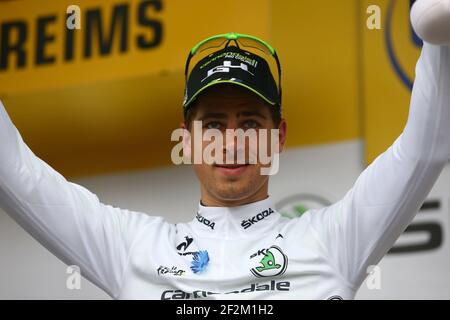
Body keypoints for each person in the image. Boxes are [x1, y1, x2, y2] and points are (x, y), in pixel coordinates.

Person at [0, 0, 449, 300]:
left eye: (250, 122)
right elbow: (15, 173)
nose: (232, 141)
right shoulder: (132, 247)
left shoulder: (334, 239)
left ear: (279, 137)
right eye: (213, 124)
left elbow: (425, 149)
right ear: (188, 139)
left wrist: (437, 42)